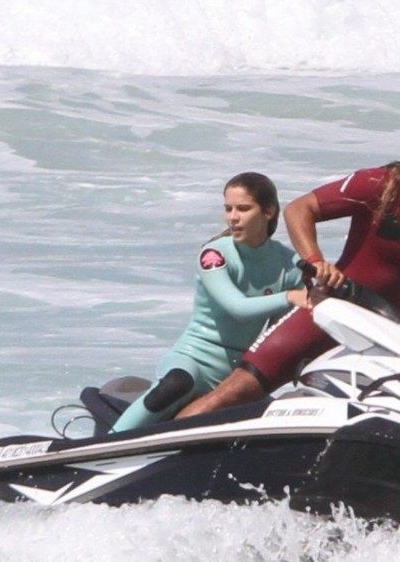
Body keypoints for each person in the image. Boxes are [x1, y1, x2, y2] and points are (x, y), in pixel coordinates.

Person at [176, 115, 400, 419]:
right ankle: (157, 451)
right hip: (328, 311)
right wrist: (315, 262)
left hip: (385, 336)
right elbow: (301, 209)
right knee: (237, 391)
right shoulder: (382, 183)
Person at [109, 172, 308, 432]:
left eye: (243, 208)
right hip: (193, 360)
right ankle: (105, 442)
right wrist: (289, 296)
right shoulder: (215, 254)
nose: (233, 217)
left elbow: (281, 330)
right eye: (228, 208)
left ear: (268, 211)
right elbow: (236, 307)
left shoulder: (287, 264)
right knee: (176, 385)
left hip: (238, 369)